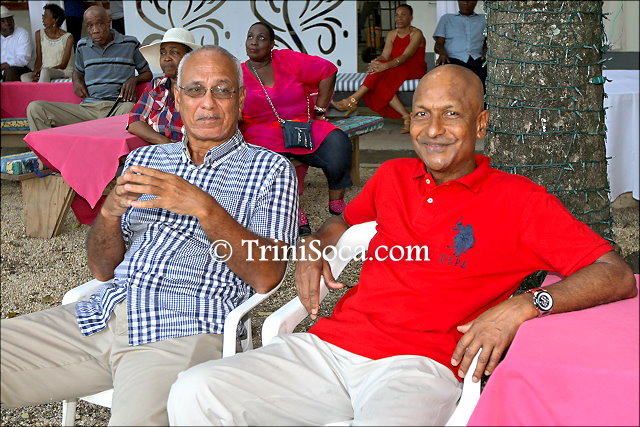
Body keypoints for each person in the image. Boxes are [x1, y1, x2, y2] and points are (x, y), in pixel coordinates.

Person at [166, 64, 637, 426]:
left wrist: (526, 304)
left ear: (481, 124)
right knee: (195, 390)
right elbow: (341, 224)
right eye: (422, 114)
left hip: (419, 367)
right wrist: (316, 244)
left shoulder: (520, 201)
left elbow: (615, 274)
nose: (433, 130)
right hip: (330, 348)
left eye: (452, 114)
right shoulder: (392, 176)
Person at [0, 46, 298, 425]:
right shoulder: (147, 160)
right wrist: (109, 212)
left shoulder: (271, 170)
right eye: (195, 90)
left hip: (181, 328)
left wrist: (204, 207)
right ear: (178, 98)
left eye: (222, 90)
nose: (208, 103)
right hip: (99, 316)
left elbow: (267, 275)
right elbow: (102, 269)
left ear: (239, 99)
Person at [240, 21, 352, 236]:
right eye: (250, 36)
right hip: (260, 131)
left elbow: (328, 70)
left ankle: (336, 201)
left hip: (300, 125)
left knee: (338, 141)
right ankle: (293, 209)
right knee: (276, 161)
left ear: (272, 44)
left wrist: (320, 110)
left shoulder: (287, 59)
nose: (254, 42)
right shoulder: (238, 73)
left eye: (261, 38)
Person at [26, 5, 152, 132]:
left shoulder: (130, 43)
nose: (95, 30)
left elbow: (147, 73)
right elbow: (78, 71)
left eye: (100, 24)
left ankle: (108, 139)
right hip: (88, 110)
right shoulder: (83, 46)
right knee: (36, 108)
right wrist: (76, 80)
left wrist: (134, 79)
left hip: (118, 107)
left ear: (109, 21)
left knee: (130, 108)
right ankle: (49, 147)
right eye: (90, 26)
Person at [332, 4, 426, 134]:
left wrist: (385, 66)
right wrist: (377, 62)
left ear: (411, 17)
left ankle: (351, 100)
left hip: (412, 67)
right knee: (379, 75)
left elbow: (406, 56)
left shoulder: (416, 34)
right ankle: (406, 116)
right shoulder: (392, 34)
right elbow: (385, 56)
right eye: (396, 15)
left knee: (380, 73)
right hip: (395, 67)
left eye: (403, 15)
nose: (399, 18)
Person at [127, 27, 200, 144]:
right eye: (163, 53)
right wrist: (164, 142)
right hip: (160, 148)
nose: (166, 58)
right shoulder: (156, 86)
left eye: (174, 52)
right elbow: (134, 120)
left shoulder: (201, 89)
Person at [433, 1, 487, 85]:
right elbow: (438, 44)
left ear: (475, 2)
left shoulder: (484, 19)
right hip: (452, 59)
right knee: (445, 81)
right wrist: (442, 53)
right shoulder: (447, 19)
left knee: (482, 82)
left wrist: (486, 49)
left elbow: (489, 40)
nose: (465, 3)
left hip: (477, 59)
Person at [20, 4, 74, 83]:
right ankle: (34, 91)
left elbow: (64, 64)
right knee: (24, 77)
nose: (42, 18)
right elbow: (39, 59)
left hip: (62, 70)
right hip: (44, 71)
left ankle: (40, 91)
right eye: (43, 15)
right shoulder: (39, 34)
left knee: (45, 72)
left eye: (45, 16)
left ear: (55, 19)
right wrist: (36, 72)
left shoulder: (68, 37)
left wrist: (43, 71)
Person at [1, 5, 33, 82]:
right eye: (2, 21)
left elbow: (23, 59)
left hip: (21, 68)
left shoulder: (22, 34)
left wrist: (7, 64)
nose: (7, 23)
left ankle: (11, 91)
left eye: (9, 19)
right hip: (2, 69)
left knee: (10, 72)